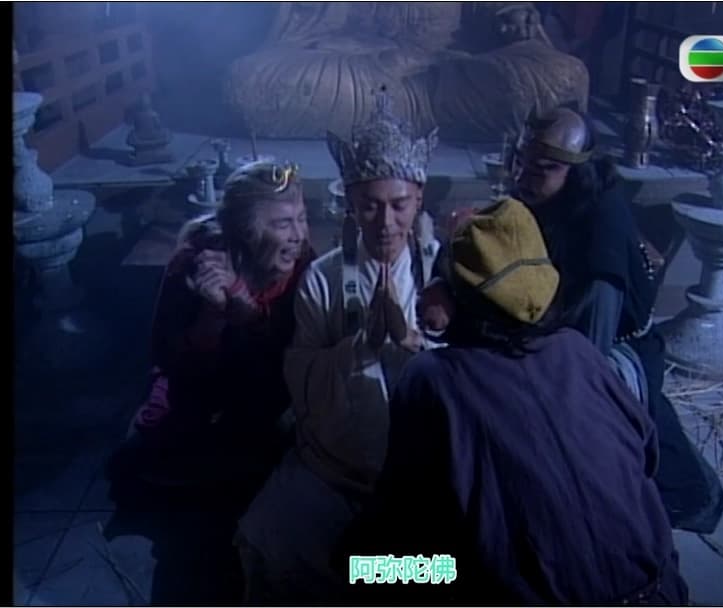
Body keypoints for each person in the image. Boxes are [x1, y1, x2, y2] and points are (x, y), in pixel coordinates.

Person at [343, 197, 690, 605]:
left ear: (449, 297)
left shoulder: (433, 378)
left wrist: (361, 554)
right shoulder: (577, 349)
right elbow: (646, 456)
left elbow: (400, 511)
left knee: (362, 567)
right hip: (662, 591)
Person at [419, 106, 723, 534]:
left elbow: (585, 361)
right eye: (520, 163)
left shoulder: (600, 241)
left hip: (606, 355)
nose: (523, 177)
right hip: (553, 331)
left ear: (576, 172)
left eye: (541, 169)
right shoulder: (547, 197)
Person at [233, 91, 442, 603]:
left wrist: (413, 343)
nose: (385, 223)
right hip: (333, 465)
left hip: (423, 471)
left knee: (444, 566)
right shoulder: (324, 279)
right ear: (349, 203)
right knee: (263, 540)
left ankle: (364, 575)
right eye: (369, 205)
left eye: (399, 205)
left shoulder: (443, 272)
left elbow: (473, 376)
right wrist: (360, 347)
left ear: (419, 200)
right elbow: (302, 374)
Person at [113, 160, 314, 492]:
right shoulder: (194, 262)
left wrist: (246, 309)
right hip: (202, 387)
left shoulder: (304, 261)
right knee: (144, 455)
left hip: (272, 389)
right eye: (283, 223)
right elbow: (167, 356)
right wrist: (213, 315)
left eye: (301, 219)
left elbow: (296, 352)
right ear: (246, 231)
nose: (298, 236)